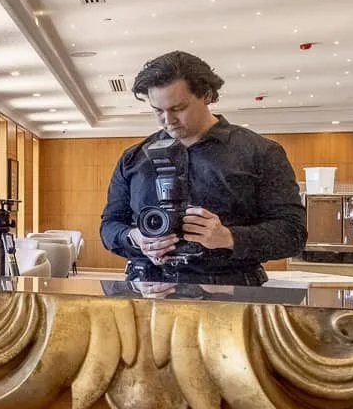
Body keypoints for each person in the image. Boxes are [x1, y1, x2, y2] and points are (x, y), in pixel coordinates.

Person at [100, 50, 306, 286]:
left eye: (178, 108)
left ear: (207, 95)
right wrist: (135, 238)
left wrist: (228, 237)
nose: (168, 120)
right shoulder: (133, 158)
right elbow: (110, 226)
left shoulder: (261, 152)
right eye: (158, 110)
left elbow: (293, 234)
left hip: (230, 291)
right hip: (148, 287)